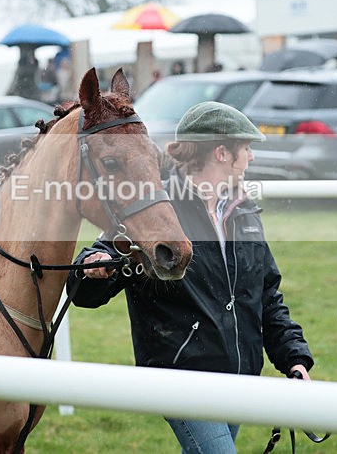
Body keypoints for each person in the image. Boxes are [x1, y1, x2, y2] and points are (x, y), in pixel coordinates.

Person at [67, 102, 314, 453]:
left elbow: (267, 297)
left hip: (238, 375)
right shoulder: (155, 207)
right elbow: (86, 287)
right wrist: (95, 267)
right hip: (182, 379)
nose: (251, 159)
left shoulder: (244, 212)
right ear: (222, 153)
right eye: (246, 150)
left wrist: (294, 359)